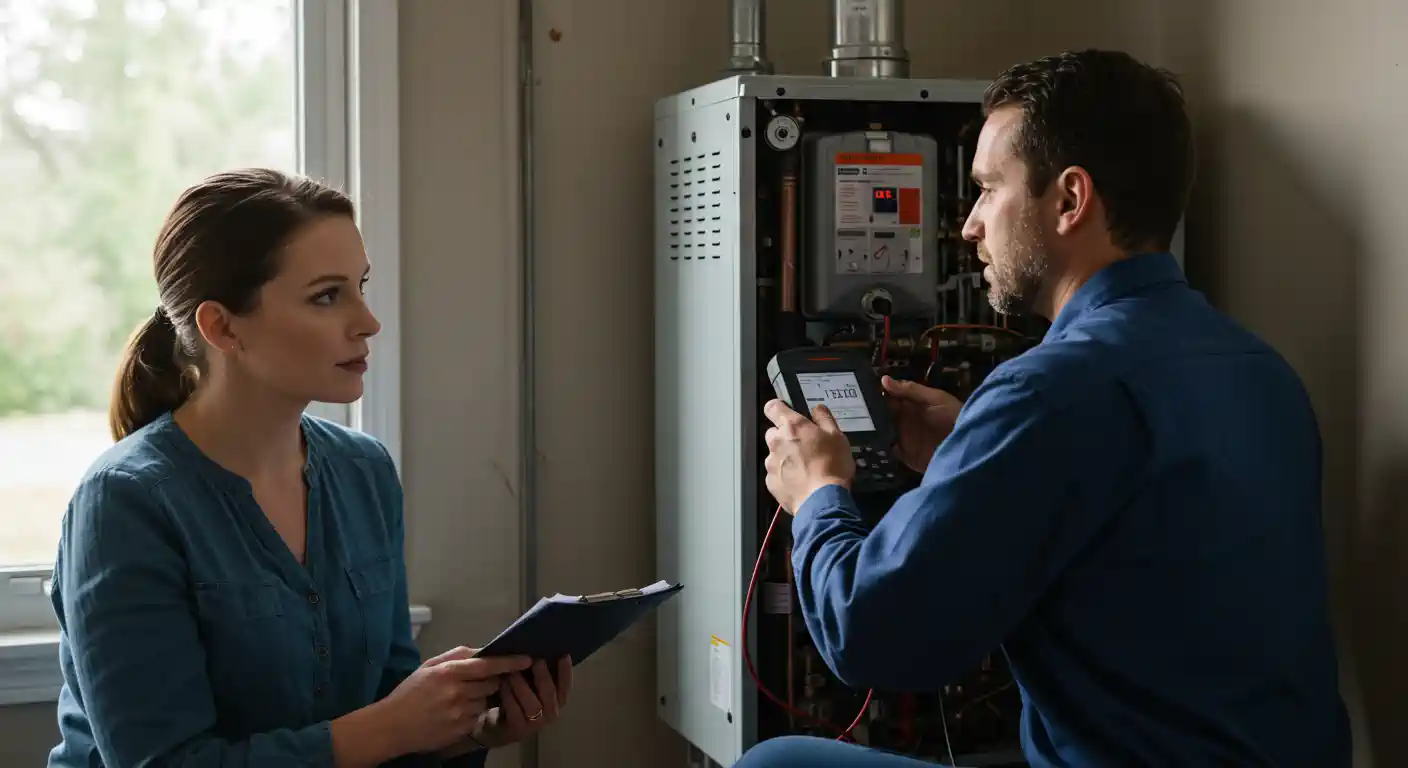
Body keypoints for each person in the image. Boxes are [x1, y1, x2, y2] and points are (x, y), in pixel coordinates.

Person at [746, 50, 1350, 767]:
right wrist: (970, 440)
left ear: (1070, 199)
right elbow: (1133, 530)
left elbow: (868, 635)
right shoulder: (1259, 370)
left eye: (987, 191)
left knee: (776, 762)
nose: (968, 226)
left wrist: (818, 493)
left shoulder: (1051, 391)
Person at [47, 168, 570, 767]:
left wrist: (465, 730)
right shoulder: (126, 501)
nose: (368, 322)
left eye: (361, 287)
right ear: (221, 326)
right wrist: (389, 728)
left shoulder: (364, 471)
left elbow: (387, 707)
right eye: (327, 296)